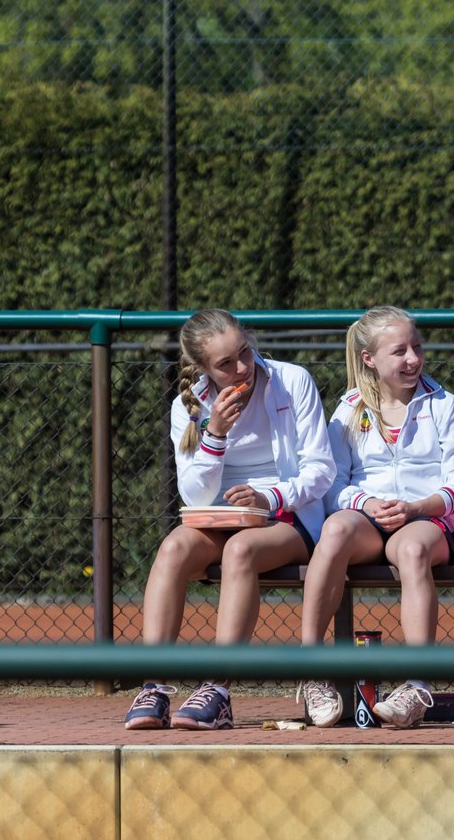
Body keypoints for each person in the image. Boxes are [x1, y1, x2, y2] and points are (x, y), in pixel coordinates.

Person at [124, 309, 334, 730]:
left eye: (245, 352)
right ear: (202, 369)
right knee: (173, 548)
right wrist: (215, 434)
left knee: (241, 551)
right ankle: (154, 687)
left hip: (287, 517)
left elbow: (321, 469)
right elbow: (194, 495)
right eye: (226, 364)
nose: (243, 367)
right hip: (220, 518)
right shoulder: (188, 406)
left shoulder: (293, 381)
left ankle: (217, 690)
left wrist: (269, 496)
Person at [296, 306, 454, 729]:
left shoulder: (446, 406)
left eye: (417, 347)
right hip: (367, 521)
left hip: (424, 521)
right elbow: (333, 481)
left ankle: (417, 686)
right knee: (336, 528)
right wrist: (364, 503)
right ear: (369, 360)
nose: (413, 358)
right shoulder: (348, 410)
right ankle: (312, 671)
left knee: (412, 548)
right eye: (400, 351)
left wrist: (418, 507)